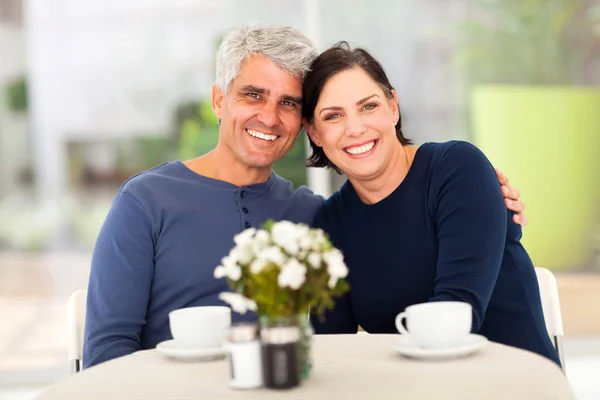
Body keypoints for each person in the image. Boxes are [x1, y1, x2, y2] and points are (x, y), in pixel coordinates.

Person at [83, 26, 526, 369]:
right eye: (253, 95)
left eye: (289, 103)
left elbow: (328, 344)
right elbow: (107, 350)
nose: (270, 117)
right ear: (219, 100)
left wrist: (495, 210)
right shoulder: (145, 201)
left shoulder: (312, 217)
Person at [302, 42, 560, 366]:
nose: (355, 129)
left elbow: (454, 317)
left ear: (392, 106)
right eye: (333, 116)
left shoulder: (457, 169)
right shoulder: (329, 224)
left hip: (513, 383)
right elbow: (330, 351)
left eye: (368, 106)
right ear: (314, 132)